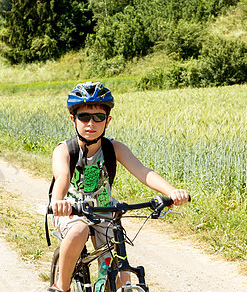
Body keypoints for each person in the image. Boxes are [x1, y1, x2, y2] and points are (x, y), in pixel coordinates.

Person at [48, 81, 190, 292]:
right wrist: (59, 202)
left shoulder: (114, 148)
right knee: (79, 230)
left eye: (98, 117)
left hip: (105, 210)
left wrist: (171, 192)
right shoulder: (65, 150)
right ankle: (62, 286)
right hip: (71, 210)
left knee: (123, 278)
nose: (91, 123)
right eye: (84, 117)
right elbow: (63, 177)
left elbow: (143, 172)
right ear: (73, 119)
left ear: (108, 121)